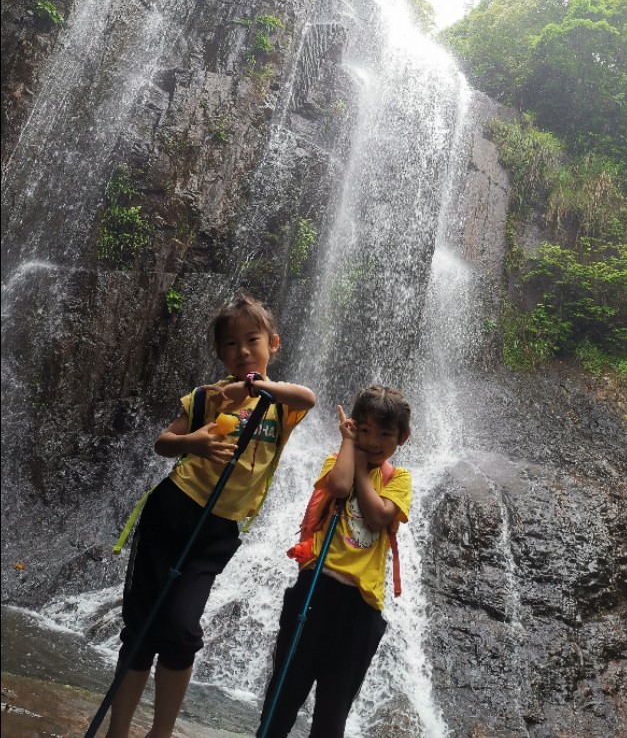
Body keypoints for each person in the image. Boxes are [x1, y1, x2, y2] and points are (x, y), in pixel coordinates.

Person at [105, 294, 316, 738]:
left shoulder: (282, 406)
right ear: (220, 354)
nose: (242, 351)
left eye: (252, 340)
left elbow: (309, 396)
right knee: (142, 626)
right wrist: (196, 442)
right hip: (173, 512)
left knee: (182, 630)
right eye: (230, 345)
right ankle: (117, 731)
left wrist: (260, 389)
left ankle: (160, 733)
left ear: (273, 344)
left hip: (218, 531)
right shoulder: (209, 397)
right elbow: (163, 442)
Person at [259, 384, 412, 738]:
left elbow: (377, 516)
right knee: (282, 696)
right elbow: (340, 487)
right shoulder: (336, 459)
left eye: (385, 434)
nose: (373, 441)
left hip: (361, 608)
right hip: (314, 590)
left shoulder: (399, 479)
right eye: (366, 430)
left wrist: (362, 469)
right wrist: (348, 447)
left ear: (401, 438)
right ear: (354, 426)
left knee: (332, 713)